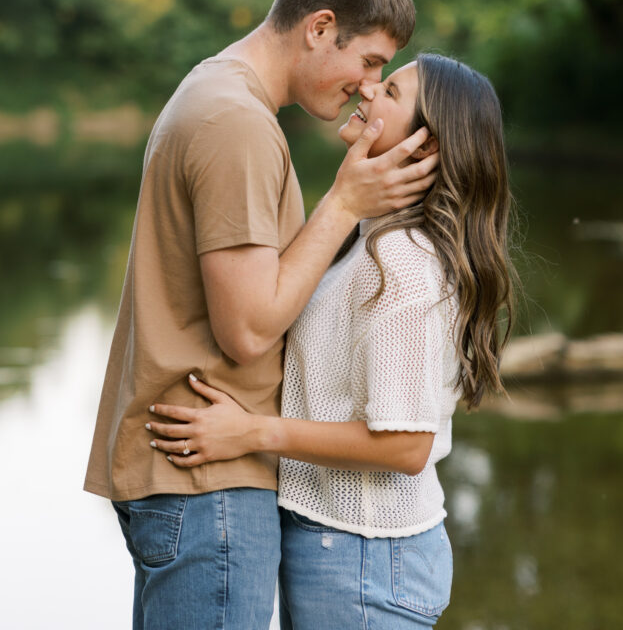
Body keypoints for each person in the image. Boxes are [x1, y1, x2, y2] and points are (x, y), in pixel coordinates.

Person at [84, 0, 439, 630]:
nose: (367, 86)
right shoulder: (236, 123)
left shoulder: (217, 93)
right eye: (369, 61)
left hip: (199, 473)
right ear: (319, 28)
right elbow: (246, 329)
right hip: (206, 481)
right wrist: (343, 204)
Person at [144, 53, 519, 629]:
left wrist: (251, 433)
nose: (367, 89)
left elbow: (406, 446)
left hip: (366, 560)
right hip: (342, 554)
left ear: (422, 148)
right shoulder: (367, 237)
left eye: (390, 92)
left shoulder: (402, 261)